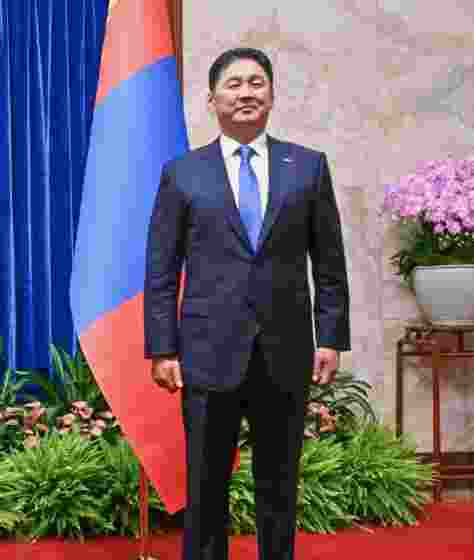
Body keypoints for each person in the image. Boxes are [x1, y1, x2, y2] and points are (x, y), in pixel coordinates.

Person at [144, 48, 350, 560]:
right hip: (207, 351)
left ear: (272, 95)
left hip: (284, 350)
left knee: (279, 481)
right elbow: (161, 270)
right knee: (205, 482)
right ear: (212, 99)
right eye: (233, 84)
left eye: (256, 83)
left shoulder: (307, 167)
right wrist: (162, 348)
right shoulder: (183, 173)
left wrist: (330, 337)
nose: (245, 93)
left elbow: (329, 263)